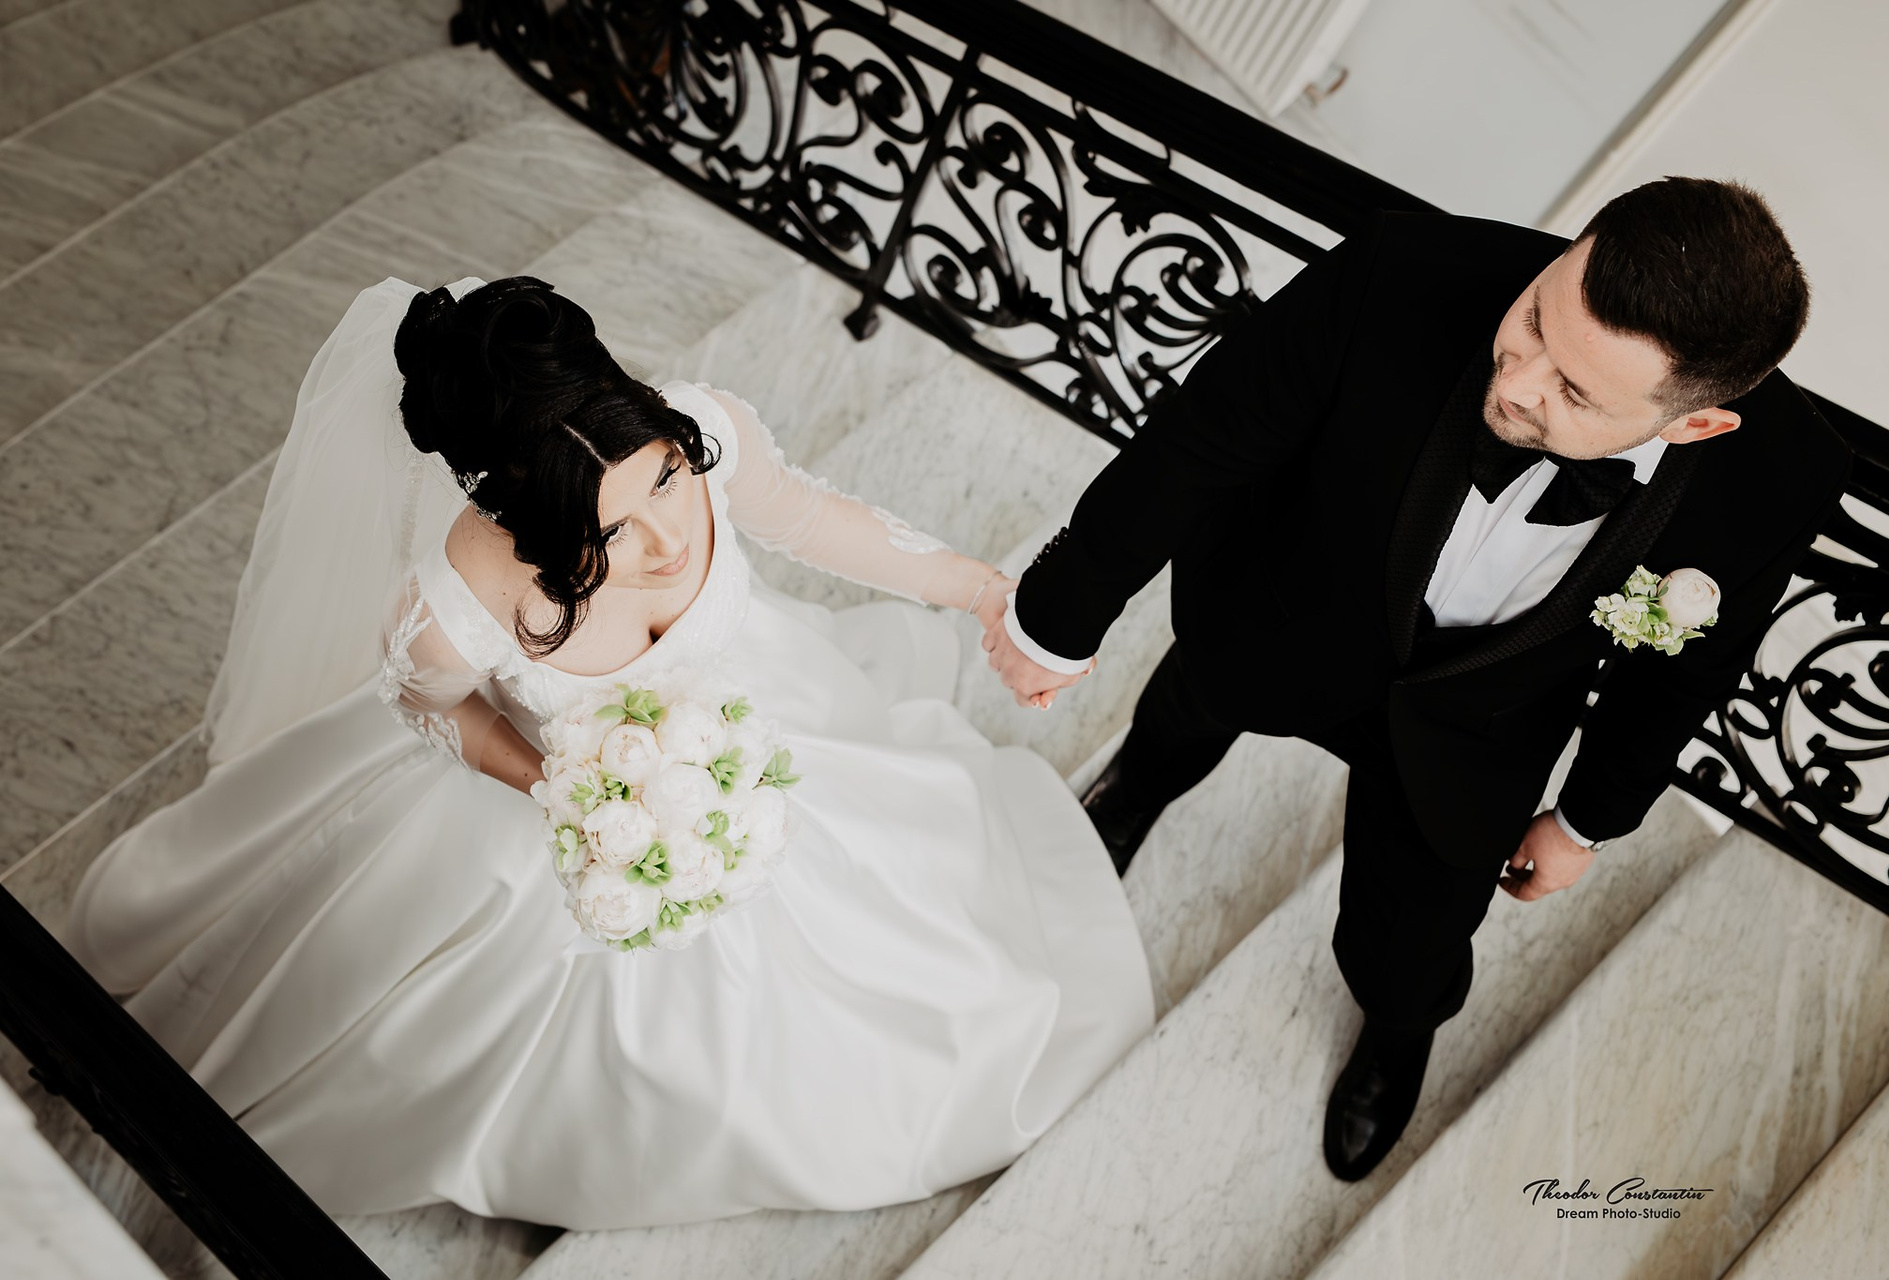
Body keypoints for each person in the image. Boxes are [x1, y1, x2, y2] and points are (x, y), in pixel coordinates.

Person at [61, 276, 1152, 1228]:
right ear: (533, 524)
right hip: (576, 820)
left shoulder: (704, 428)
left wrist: (980, 590)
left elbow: (809, 518)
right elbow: (434, 709)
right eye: (614, 530)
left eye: (666, 479)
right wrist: (562, 786)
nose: (670, 539)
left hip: (768, 724)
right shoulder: (459, 607)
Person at [981, 177, 1848, 1181]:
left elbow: (1687, 672)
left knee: (1413, 942)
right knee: (1188, 707)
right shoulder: (1401, 270)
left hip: (1482, 726)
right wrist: (1056, 618)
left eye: (1575, 393)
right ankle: (1135, 790)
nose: (1518, 381)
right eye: (1536, 319)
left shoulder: (1782, 477)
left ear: (1694, 427)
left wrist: (1584, 822)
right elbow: (1201, 438)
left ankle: (1396, 1033)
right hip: (1293, 605)